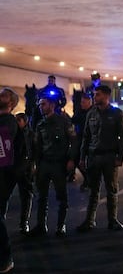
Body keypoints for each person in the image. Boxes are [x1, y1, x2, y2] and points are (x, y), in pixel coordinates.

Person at [77, 85, 123, 232]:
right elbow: (86, 137)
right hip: (94, 157)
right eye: (94, 95)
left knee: (111, 190)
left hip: (110, 157)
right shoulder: (91, 113)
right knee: (93, 190)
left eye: (97, 95)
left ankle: (113, 220)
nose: (95, 97)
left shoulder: (117, 113)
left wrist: (120, 157)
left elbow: (122, 137)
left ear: (106, 96)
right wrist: (82, 157)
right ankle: (89, 221)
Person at [30, 93, 76, 237]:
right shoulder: (40, 124)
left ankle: (61, 225)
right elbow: (37, 147)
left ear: (52, 105)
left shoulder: (63, 121)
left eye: (43, 104)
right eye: (39, 104)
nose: (40, 107)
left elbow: (74, 141)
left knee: (61, 196)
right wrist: (34, 165)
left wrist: (71, 159)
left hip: (59, 163)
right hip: (44, 163)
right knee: (41, 196)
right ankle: (40, 225)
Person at [0, 113, 34, 235]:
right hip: (13, 169)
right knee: (4, 196)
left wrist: (32, 166)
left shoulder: (30, 134)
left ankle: (24, 222)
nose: (17, 123)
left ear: (25, 122)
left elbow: (33, 151)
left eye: (19, 121)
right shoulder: (12, 133)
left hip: (24, 170)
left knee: (25, 197)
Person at [0, 88, 19, 273]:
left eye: (4, 95)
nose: (0, 96)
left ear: (11, 103)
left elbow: (3, 153)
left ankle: (6, 258)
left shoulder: (9, 122)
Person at [71, 92, 93, 191]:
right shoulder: (79, 111)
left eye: (83, 102)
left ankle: (90, 180)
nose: (82, 104)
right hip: (80, 139)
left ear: (89, 102)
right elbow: (73, 121)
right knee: (76, 158)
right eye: (81, 102)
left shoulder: (93, 112)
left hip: (91, 140)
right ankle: (87, 178)